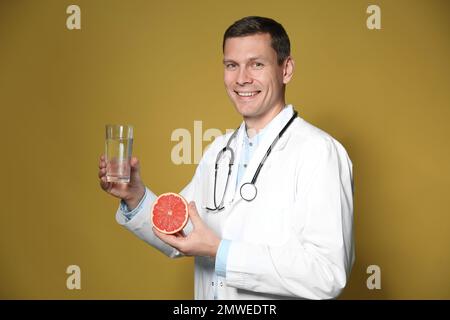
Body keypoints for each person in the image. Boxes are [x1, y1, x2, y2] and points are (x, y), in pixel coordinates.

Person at [98, 16, 354, 300]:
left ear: (286, 70)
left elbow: (327, 274)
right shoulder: (218, 151)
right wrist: (136, 196)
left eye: (257, 64)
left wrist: (221, 252)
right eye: (232, 65)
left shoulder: (319, 152)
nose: (242, 78)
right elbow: (181, 234)